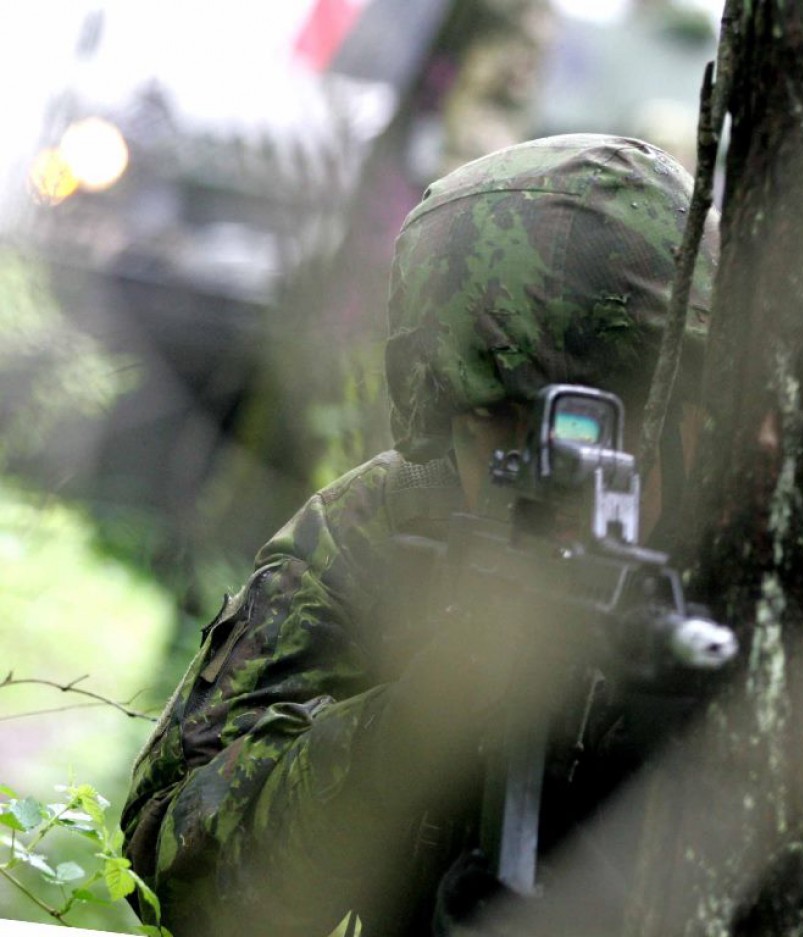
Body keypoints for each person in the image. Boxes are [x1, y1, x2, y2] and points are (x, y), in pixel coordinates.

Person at [121, 133, 718, 937]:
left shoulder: (782, 540)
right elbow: (168, 870)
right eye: (498, 421)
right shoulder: (395, 522)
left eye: (598, 421)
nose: (552, 472)